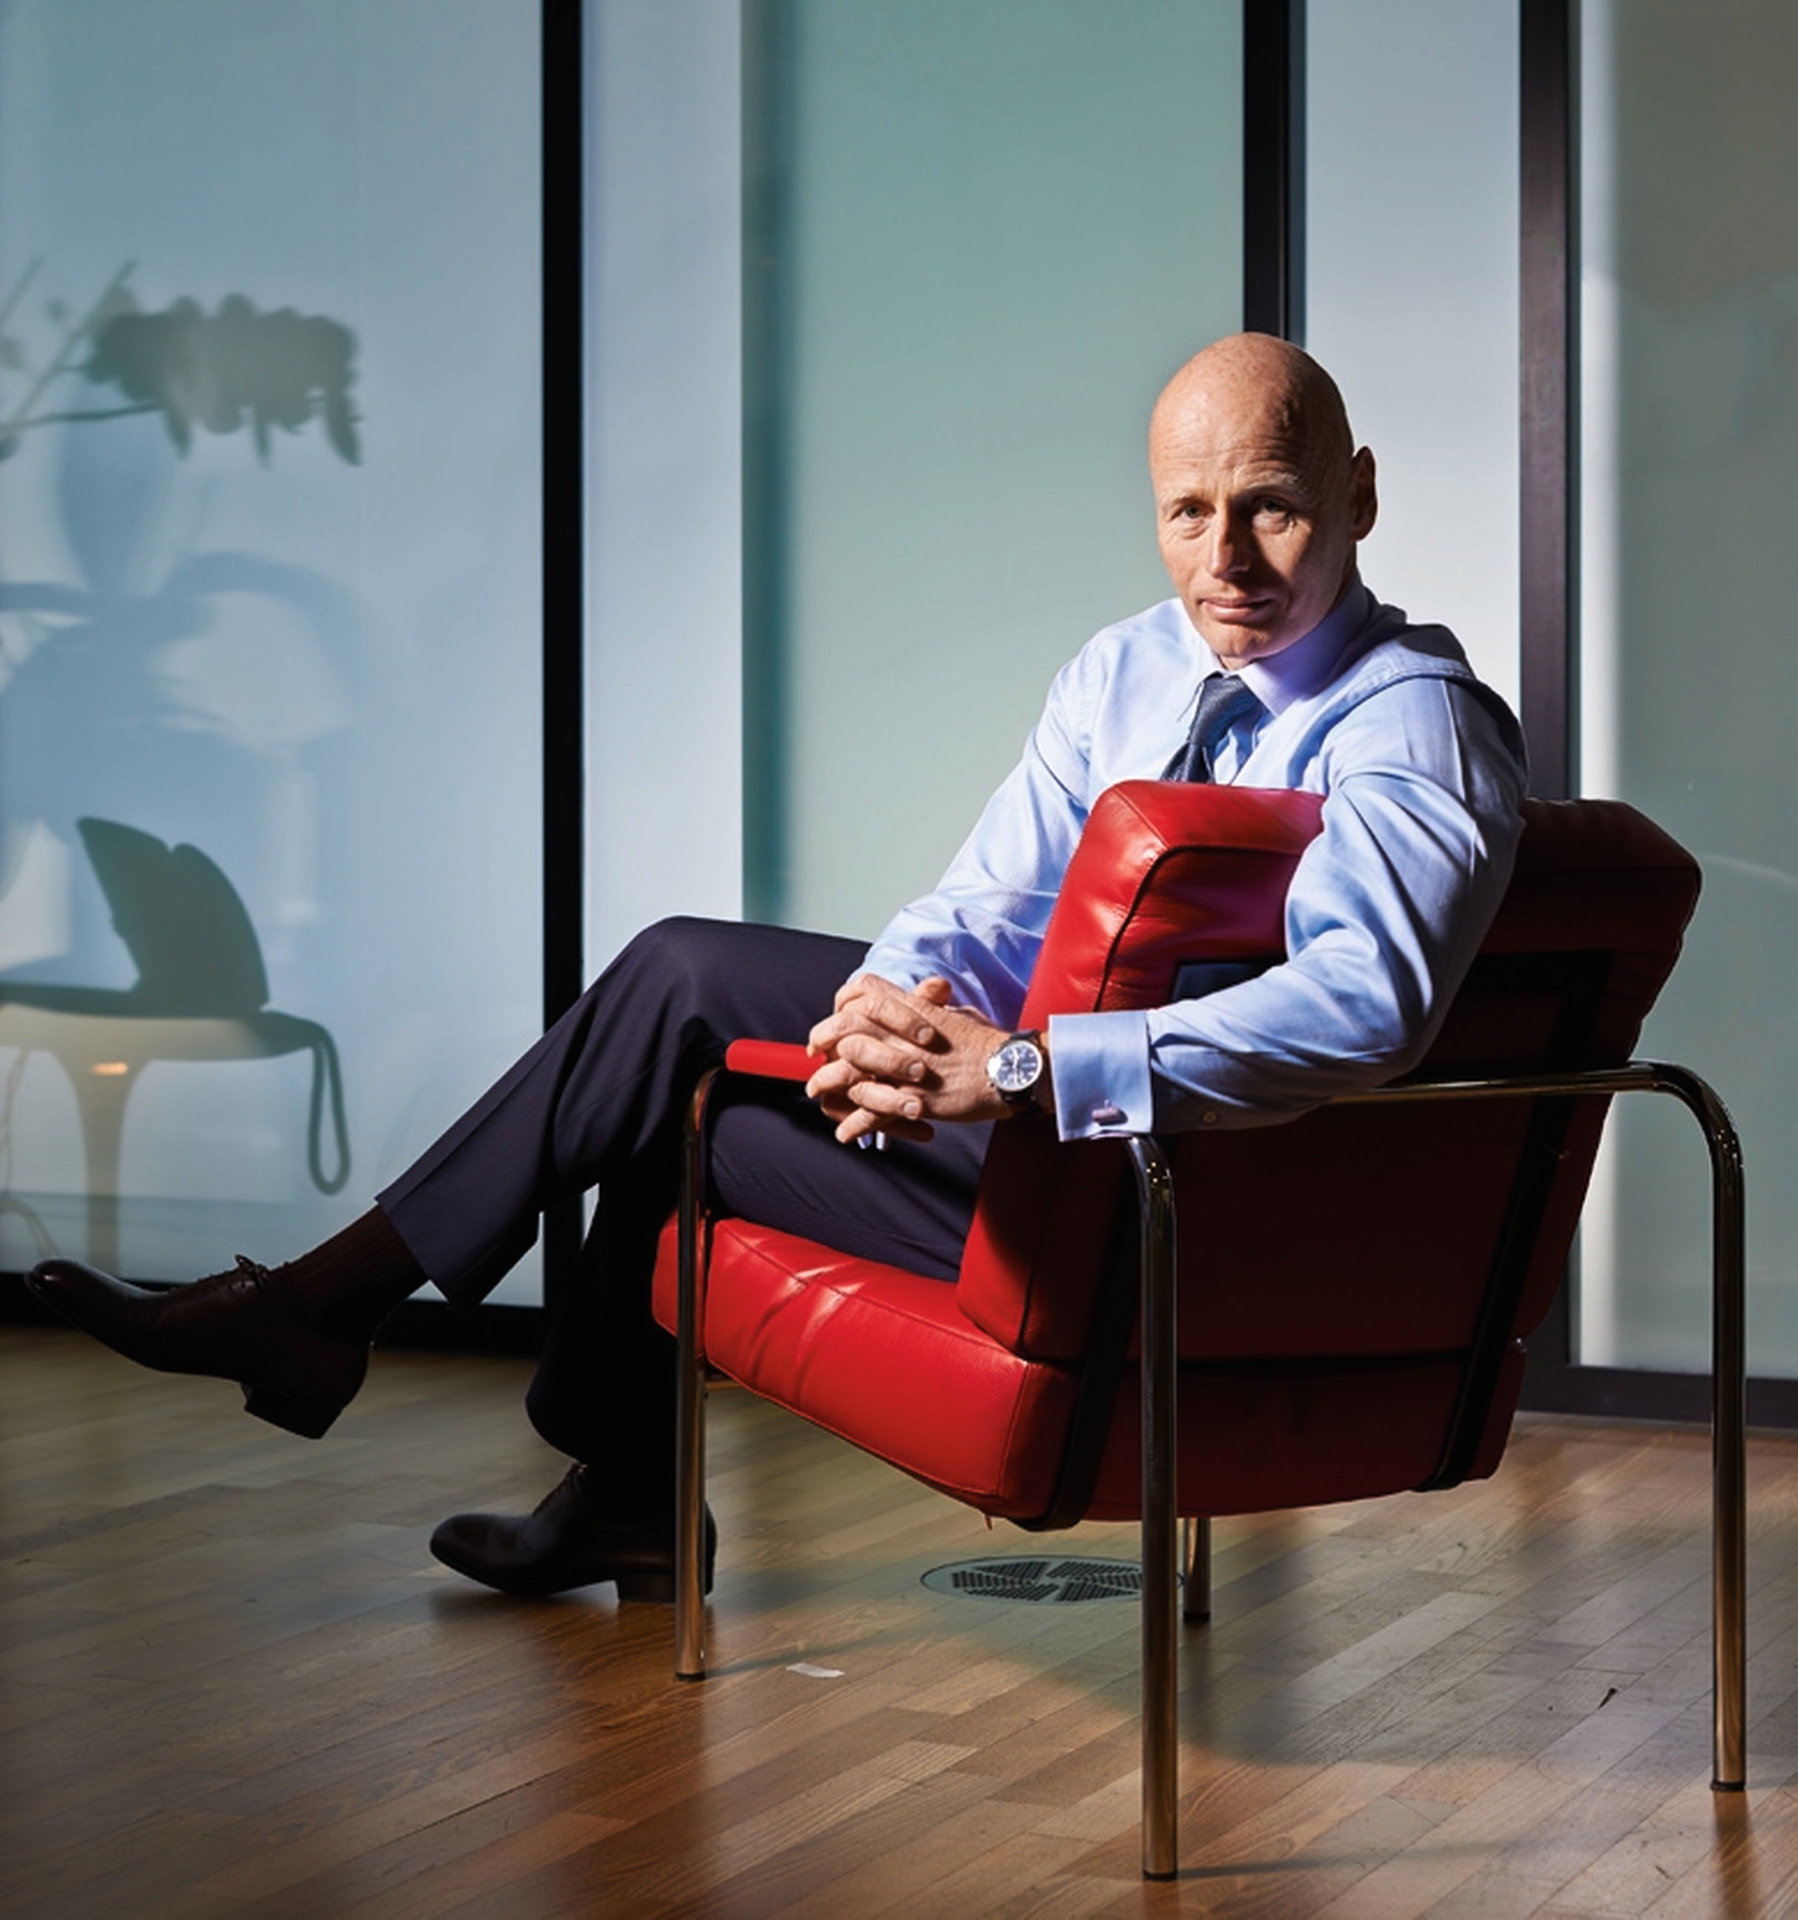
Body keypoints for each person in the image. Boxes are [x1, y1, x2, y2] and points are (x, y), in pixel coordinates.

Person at [26, 333, 1528, 1601]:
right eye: (1187, 513)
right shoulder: (1128, 668)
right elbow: (991, 902)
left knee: (678, 1011)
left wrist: (1018, 1070)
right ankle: (542, 1446)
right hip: (1044, 1151)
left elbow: (1368, 1007)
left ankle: (371, 1334)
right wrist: (883, 1013)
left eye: (1270, 509)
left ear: (1358, 495)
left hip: (1179, 1199)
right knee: (678, 1056)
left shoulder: (1410, 721)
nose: (1224, 560)